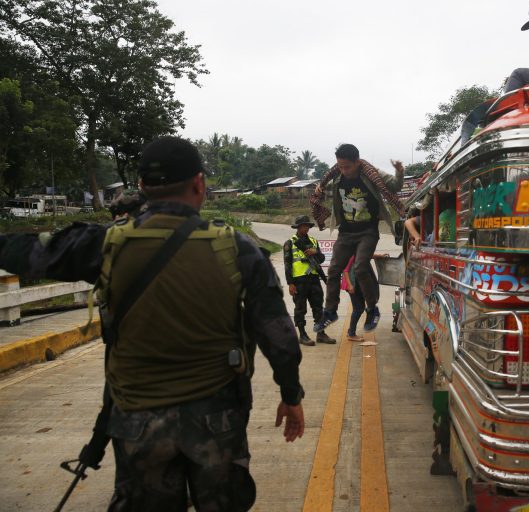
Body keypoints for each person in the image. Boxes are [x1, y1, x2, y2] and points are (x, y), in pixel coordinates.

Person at [0, 136, 305, 511]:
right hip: (217, 417)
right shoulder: (238, 249)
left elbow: (23, 252)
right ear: (200, 184)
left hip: (135, 421)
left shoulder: (104, 245)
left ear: (142, 187)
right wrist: (291, 395)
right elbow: (278, 334)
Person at [309, 143, 406, 333]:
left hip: (367, 232)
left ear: (357, 162)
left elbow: (395, 187)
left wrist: (400, 172)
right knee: (334, 270)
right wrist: (319, 190)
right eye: (340, 166)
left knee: (361, 267)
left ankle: (372, 309)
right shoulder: (336, 177)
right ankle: (330, 312)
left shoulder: (372, 173)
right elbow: (326, 190)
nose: (343, 171)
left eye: (347, 167)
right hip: (346, 232)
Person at [284, 215, 336, 346]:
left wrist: (315, 252)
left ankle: (321, 334)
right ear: (298, 227)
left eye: (307, 226)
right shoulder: (290, 242)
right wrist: (290, 283)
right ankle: (302, 335)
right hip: (299, 281)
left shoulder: (313, 241)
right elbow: (287, 264)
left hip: (314, 279)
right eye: (303, 226)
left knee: (318, 307)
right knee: (300, 309)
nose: (306, 228)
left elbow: (322, 259)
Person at [341, 255, 366, 342]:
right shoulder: (351, 253)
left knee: (361, 307)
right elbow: (345, 270)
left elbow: (365, 255)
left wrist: (379, 256)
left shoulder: (358, 251)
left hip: (357, 284)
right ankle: (351, 334)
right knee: (358, 309)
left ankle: (350, 331)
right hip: (352, 284)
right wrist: (350, 285)